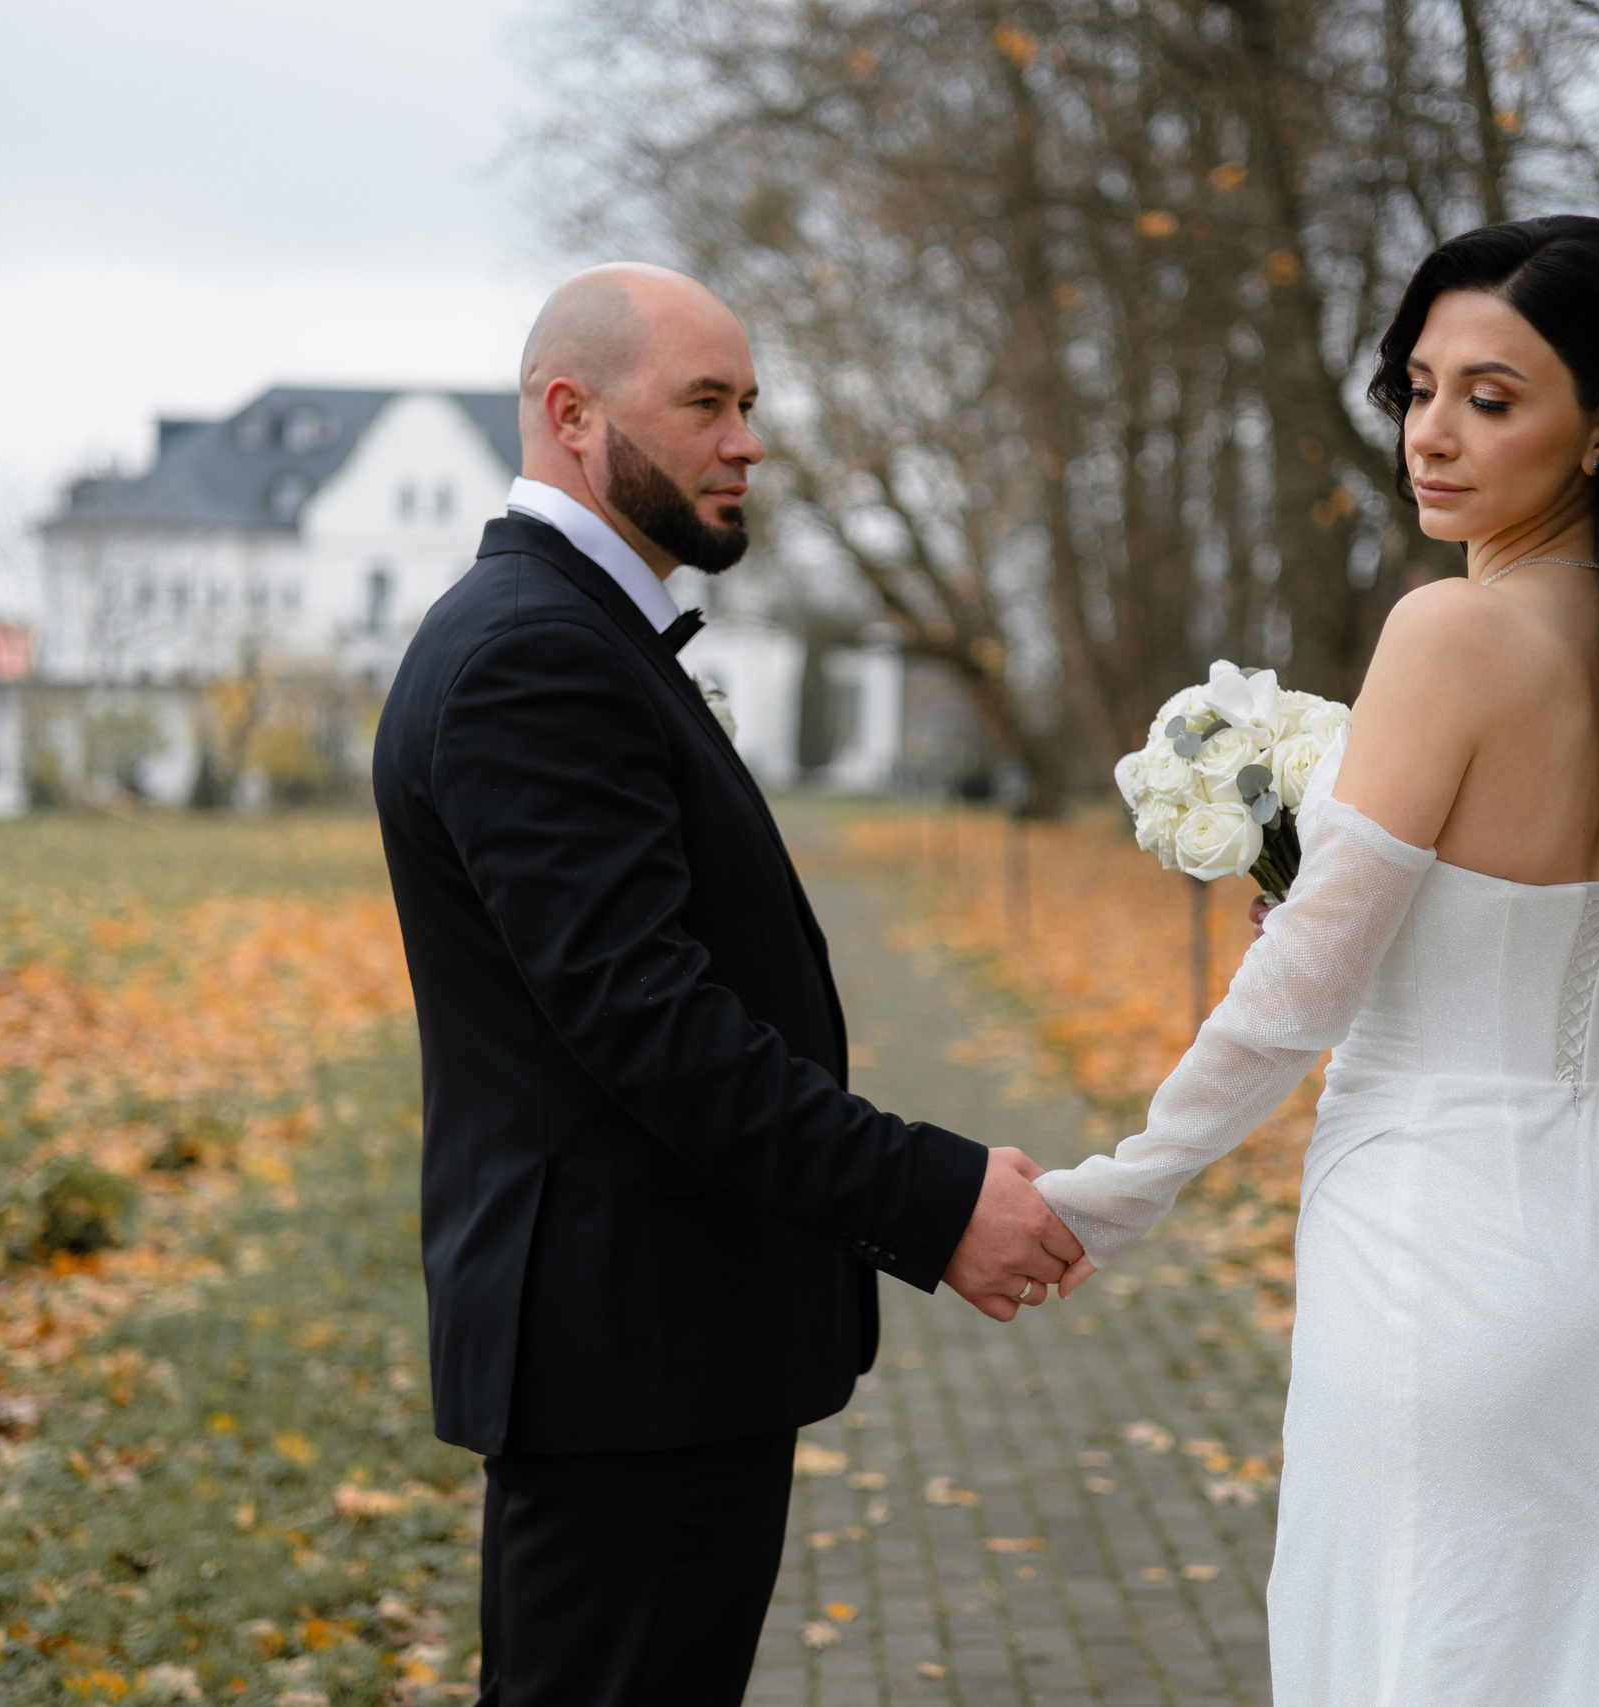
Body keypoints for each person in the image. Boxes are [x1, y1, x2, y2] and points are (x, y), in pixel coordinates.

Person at [1038, 216, 1599, 1704]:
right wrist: (1410, 923)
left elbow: (1305, 992)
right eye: (1419, 387)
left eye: (1491, 399)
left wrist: (1120, 1188)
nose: (1433, 434)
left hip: (1436, 1268)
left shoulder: (1451, 631)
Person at [370, 263, 1085, 1706]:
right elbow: (659, 1029)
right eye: (707, 403)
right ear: (571, 415)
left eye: (749, 403)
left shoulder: (575, 631)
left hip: (663, 1355)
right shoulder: (533, 653)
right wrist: (933, 1198)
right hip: (624, 1364)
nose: (749, 439)